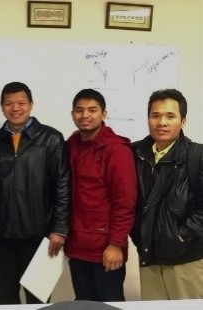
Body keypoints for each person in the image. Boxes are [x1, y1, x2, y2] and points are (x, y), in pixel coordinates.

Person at [0, 81, 70, 305]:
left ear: (31, 105)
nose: (15, 108)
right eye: (9, 103)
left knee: (38, 298)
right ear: (2, 106)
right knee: (5, 298)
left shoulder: (51, 139)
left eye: (21, 103)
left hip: (40, 234)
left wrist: (59, 229)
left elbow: (62, 187)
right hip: (2, 233)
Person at [64, 89, 137, 302]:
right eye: (79, 110)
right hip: (77, 246)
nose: (85, 115)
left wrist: (116, 243)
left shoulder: (117, 150)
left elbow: (125, 202)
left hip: (105, 249)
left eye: (92, 110)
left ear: (103, 114)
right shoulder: (72, 144)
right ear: (72, 114)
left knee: (109, 304)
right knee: (83, 303)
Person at [130, 89, 203, 300]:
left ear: (183, 120)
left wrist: (180, 235)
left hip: (186, 261)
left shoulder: (197, 156)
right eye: (155, 115)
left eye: (170, 116)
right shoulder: (135, 154)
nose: (162, 122)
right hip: (149, 259)